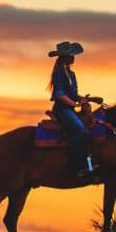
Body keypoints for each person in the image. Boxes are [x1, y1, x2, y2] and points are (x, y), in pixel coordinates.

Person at [48, 42, 93, 178]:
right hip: (62, 109)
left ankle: (88, 162)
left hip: (70, 108)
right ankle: (76, 167)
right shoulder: (58, 73)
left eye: (72, 55)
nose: (72, 57)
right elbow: (59, 95)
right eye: (70, 55)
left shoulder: (71, 75)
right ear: (63, 57)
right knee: (78, 128)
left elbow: (73, 94)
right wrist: (76, 104)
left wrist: (84, 100)